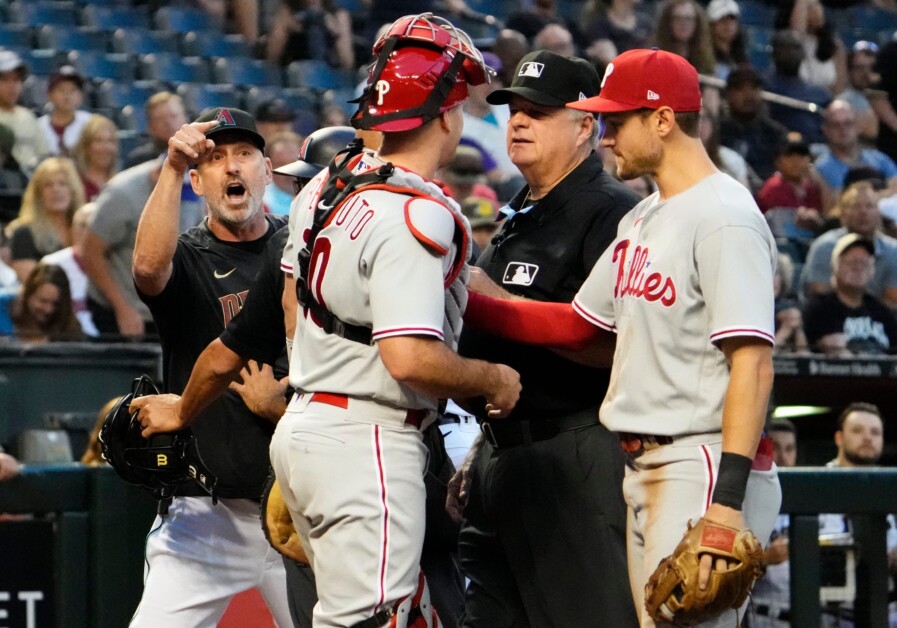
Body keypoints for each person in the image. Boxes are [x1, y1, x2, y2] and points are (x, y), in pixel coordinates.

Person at [461, 48, 782, 626]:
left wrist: (728, 503)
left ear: (662, 119)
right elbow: (578, 325)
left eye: (616, 120)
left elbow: (753, 364)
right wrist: (468, 296)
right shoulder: (644, 217)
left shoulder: (725, 216)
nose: (605, 136)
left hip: (702, 459)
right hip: (644, 464)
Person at [277, 15, 519, 627]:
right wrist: (492, 379)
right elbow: (409, 358)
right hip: (369, 438)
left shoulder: (323, 186)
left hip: (306, 425)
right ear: (444, 115)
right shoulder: (417, 212)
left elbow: (290, 308)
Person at [450, 48, 640, 628]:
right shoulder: (517, 214)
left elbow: (617, 346)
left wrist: (495, 297)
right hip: (503, 454)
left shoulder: (613, 213)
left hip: (575, 452)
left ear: (586, 126)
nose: (519, 121)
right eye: (514, 110)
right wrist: (485, 446)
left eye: (540, 110)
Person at [127, 107, 292, 626]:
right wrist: (172, 167)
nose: (232, 168)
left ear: (266, 170)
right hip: (206, 513)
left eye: (244, 154)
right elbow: (149, 270)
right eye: (216, 159)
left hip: (300, 503)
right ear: (199, 182)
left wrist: (280, 407)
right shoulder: (190, 257)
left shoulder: (301, 251)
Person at [81, 157, 203, 340]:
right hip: (119, 311)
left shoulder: (194, 189)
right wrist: (122, 308)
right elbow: (90, 252)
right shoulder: (122, 193)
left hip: (168, 311)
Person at [799, 181, 897, 309]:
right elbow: (819, 295)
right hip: (829, 319)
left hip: (878, 321)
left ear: (879, 214)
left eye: (870, 206)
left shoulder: (893, 250)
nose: (863, 212)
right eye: (855, 206)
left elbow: (893, 300)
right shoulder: (825, 247)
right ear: (843, 215)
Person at [802, 233, 897, 356]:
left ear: (872, 272)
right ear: (835, 268)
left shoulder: (882, 312)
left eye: (864, 264)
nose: (857, 268)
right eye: (851, 262)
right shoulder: (819, 309)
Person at [4, 157, 85, 283]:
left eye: (62, 184)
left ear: (73, 190)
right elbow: (33, 285)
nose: (56, 190)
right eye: (48, 185)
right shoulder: (24, 233)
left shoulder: (86, 230)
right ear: (38, 194)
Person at [719, 65, 789, 182]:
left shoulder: (775, 132)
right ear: (728, 95)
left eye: (754, 88)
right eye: (740, 89)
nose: (748, 95)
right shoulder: (717, 132)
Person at [763, 29, 832, 146]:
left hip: (820, 149)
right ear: (774, 53)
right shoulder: (764, 87)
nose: (792, 53)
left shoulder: (820, 93)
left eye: (796, 48)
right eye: (786, 48)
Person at [815, 100, 897, 197]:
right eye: (835, 125)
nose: (843, 129)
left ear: (858, 126)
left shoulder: (881, 160)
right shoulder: (820, 170)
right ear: (826, 130)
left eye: (848, 123)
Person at [41, 202, 99, 337]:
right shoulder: (52, 264)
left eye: (94, 225)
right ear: (72, 230)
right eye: (83, 225)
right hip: (66, 343)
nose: (88, 231)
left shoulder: (118, 265)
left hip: (111, 341)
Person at [757, 133, 827, 240]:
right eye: (790, 155)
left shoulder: (812, 187)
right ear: (778, 161)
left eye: (801, 155)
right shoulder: (773, 188)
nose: (796, 161)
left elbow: (829, 213)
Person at [0, 50, 48, 172]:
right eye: (5, 79)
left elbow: (43, 155)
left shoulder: (28, 116)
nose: (12, 86)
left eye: (16, 80)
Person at [11, 262, 82, 344]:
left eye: (56, 304)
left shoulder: (70, 332)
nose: (48, 309)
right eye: (43, 301)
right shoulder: (8, 319)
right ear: (29, 295)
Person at [36, 65, 91, 158]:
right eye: (61, 90)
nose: (67, 96)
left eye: (72, 90)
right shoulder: (38, 127)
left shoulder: (91, 124)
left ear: (81, 96)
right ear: (49, 95)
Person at [123, 92, 188, 169]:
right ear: (150, 127)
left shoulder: (200, 153)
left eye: (173, 116)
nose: (168, 123)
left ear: (186, 118)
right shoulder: (139, 161)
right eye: (160, 119)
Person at [837, 41, 880, 143]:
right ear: (850, 71)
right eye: (859, 68)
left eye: (871, 67)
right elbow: (871, 131)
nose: (866, 73)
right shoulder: (844, 101)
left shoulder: (886, 96)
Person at [72, 114, 120, 201]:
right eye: (98, 141)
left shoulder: (121, 182)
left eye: (110, 141)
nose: (105, 147)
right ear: (86, 146)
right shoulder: (75, 182)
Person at [263, 130, 304, 215]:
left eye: (294, 163)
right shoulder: (261, 204)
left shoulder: (318, 198)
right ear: (268, 167)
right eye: (281, 164)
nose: (289, 171)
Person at [707, 0, 746, 81]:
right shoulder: (703, 56)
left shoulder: (741, 58)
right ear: (711, 24)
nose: (728, 24)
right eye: (722, 19)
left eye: (732, 19)